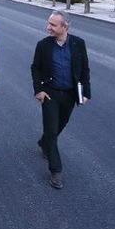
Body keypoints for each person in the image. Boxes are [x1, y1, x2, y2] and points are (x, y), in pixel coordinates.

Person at [30, 10, 91, 190]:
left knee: (60, 125)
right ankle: (56, 170)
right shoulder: (43, 45)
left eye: (53, 25)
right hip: (50, 94)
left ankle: (44, 143)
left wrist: (86, 92)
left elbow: (85, 70)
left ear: (65, 27)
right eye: (49, 23)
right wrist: (39, 90)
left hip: (70, 94)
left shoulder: (79, 44)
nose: (48, 27)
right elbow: (35, 68)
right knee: (51, 129)